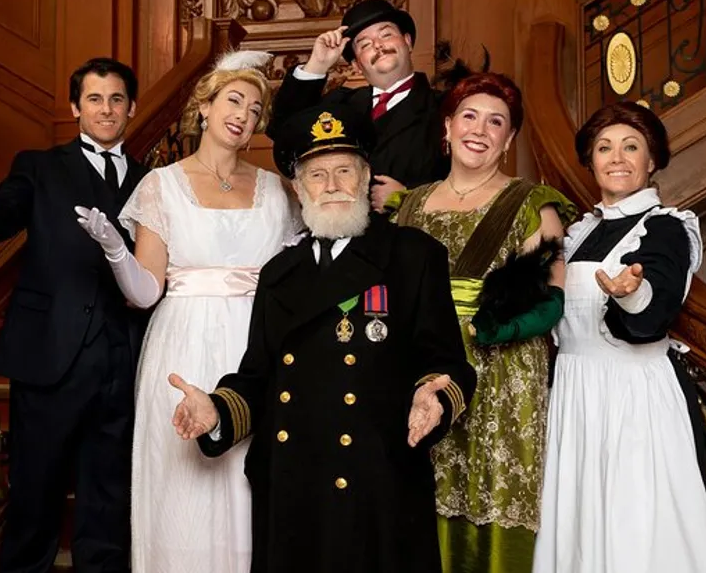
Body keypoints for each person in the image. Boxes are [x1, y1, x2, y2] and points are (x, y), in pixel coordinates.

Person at [168, 100, 477, 573]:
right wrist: (215, 411)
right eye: (316, 175)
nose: (331, 186)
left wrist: (434, 396)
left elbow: (449, 364)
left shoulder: (412, 255)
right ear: (297, 187)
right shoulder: (278, 273)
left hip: (378, 479)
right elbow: (257, 377)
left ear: (366, 174)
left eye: (344, 171)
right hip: (292, 485)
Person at [75, 51, 299, 573]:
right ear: (206, 106)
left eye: (254, 106)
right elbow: (145, 292)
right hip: (182, 341)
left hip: (255, 344)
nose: (243, 113)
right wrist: (114, 249)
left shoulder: (275, 189)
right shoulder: (161, 184)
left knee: (251, 474)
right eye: (233, 100)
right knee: (182, 481)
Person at [0, 58, 148, 573]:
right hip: (51, 353)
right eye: (96, 99)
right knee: (37, 494)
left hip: (127, 354)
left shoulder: (155, 180)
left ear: (132, 108)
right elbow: (4, 211)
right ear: (75, 106)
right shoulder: (39, 165)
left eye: (117, 99)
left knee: (109, 497)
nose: (107, 109)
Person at [394, 72, 576, 573]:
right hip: (421, 366)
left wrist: (500, 329)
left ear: (509, 139)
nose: (480, 129)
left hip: (503, 371)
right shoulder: (408, 204)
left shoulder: (531, 204)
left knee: (494, 490)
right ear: (447, 127)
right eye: (469, 116)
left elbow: (553, 299)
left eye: (496, 122)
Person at [532, 102, 706, 573]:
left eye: (631, 146)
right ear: (591, 160)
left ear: (652, 160)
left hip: (634, 401)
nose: (617, 158)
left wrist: (632, 295)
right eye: (604, 147)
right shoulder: (578, 232)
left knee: (635, 535)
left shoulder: (667, 228)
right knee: (578, 534)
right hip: (575, 398)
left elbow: (651, 315)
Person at [270, 0, 448, 211]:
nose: (378, 45)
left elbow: (470, 183)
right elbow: (283, 129)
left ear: (408, 41)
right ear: (355, 64)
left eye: (386, 34)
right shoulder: (340, 104)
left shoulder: (446, 107)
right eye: (364, 44)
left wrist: (410, 200)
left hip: (409, 239)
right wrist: (317, 65)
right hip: (343, 237)